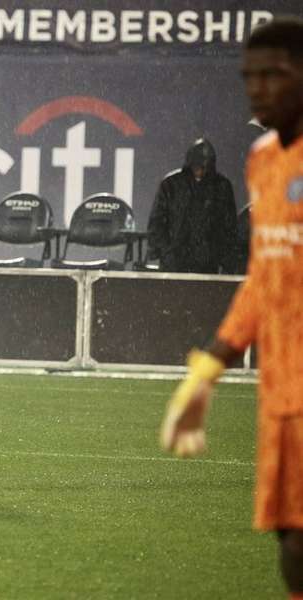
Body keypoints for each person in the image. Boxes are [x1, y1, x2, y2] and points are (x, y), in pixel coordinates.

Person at [159, 16, 303, 599]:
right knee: (290, 540)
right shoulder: (263, 159)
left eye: (273, 74)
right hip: (283, 388)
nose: (257, 88)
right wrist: (207, 373)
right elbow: (265, 278)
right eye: (249, 76)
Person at [146, 137, 238, 273]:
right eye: (197, 166)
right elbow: (156, 224)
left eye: (205, 168)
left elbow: (228, 227)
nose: (200, 171)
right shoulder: (171, 185)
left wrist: (224, 260)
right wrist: (167, 252)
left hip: (207, 266)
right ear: (190, 164)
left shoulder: (221, 187)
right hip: (174, 265)